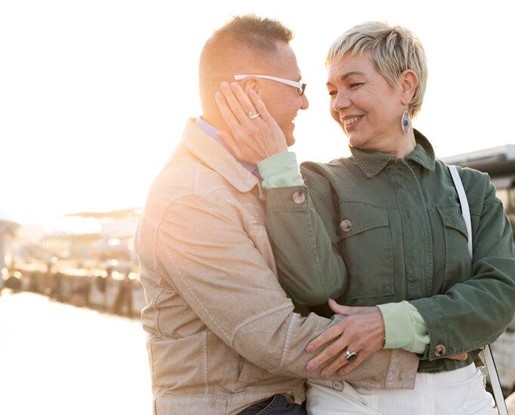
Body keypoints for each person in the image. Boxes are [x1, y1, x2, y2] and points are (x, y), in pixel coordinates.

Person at [216, 21, 515, 414]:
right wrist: (276, 166)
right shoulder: (317, 182)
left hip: (463, 399)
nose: (338, 103)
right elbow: (314, 287)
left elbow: (498, 295)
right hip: (352, 399)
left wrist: (387, 324)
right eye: (332, 91)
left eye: (354, 84)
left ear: (406, 86)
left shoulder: (471, 189)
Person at [134, 15, 421, 415]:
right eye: (297, 87)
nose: (306, 103)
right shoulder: (191, 199)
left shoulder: (253, 176)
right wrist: (421, 357)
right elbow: (274, 336)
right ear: (251, 91)